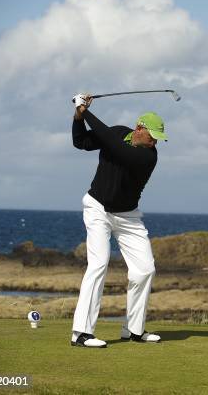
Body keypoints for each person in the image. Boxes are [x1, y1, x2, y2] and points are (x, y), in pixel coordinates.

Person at [70, 94, 167, 348]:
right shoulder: (118, 133)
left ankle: (134, 330)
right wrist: (78, 116)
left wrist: (85, 110)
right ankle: (81, 332)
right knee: (99, 263)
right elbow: (80, 141)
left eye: (158, 137)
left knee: (145, 269)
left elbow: (114, 147)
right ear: (139, 129)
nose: (155, 140)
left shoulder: (149, 157)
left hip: (128, 216)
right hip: (97, 208)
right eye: (152, 135)